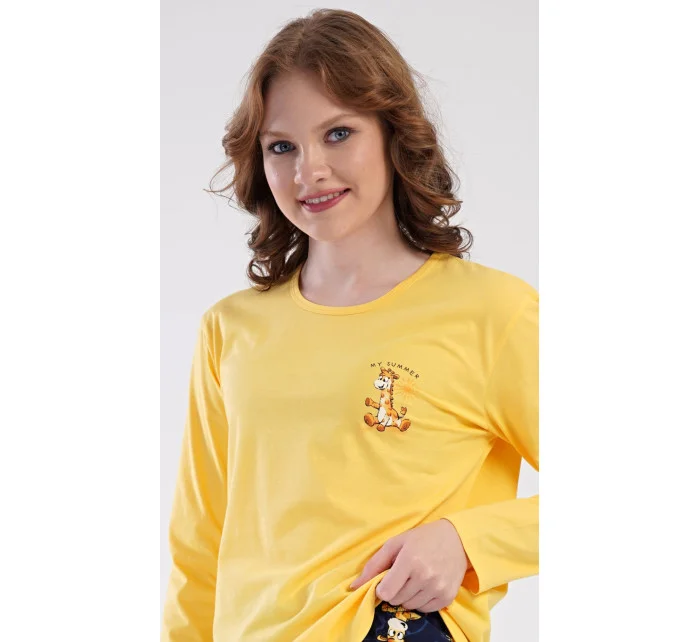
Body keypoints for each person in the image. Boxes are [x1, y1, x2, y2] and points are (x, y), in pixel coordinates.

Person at [162, 8, 538, 642]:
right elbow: (200, 543)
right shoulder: (231, 330)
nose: (308, 170)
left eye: (338, 133)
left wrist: (467, 541)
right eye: (282, 146)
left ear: (394, 134)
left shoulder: (492, 313)